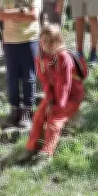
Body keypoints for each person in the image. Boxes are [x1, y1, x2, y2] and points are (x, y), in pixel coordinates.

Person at [19, 23, 85, 165]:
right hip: (54, 95)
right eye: (45, 41)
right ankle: (31, 147)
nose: (48, 44)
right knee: (38, 116)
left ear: (59, 41)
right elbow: (45, 83)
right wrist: (49, 100)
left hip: (71, 97)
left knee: (54, 122)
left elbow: (65, 84)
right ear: (40, 42)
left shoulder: (63, 57)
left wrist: (57, 106)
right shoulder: (40, 59)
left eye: (52, 41)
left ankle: (46, 154)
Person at [0, 0, 42, 129]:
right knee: (12, 77)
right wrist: (23, 11)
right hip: (10, 41)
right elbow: (1, 15)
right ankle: (14, 109)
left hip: (29, 39)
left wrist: (13, 13)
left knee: (29, 76)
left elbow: (33, 16)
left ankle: (27, 110)